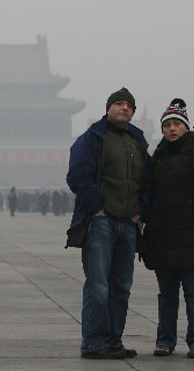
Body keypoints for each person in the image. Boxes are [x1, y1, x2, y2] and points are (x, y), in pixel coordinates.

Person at [66, 87, 150, 360]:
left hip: (128, 224)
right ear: (109, 108)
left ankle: (114, 340)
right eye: (119, 104)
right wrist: (99, 207)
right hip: (101, 222)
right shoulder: (92, 138)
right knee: (98, 285)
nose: (124, 108)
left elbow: (149, 182)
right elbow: (77, 176)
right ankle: (93, 343)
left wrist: (141, 211)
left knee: (121, 287)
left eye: (129, 106)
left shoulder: (137, 142)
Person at [140, 98, 194, 359]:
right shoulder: (157, 157)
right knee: (166, 294)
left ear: (187, 128)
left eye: (177, 124)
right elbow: (147, 194)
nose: (172, 129)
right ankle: (165, 340)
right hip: (162, 235)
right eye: (167, 125)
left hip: (190, 236)